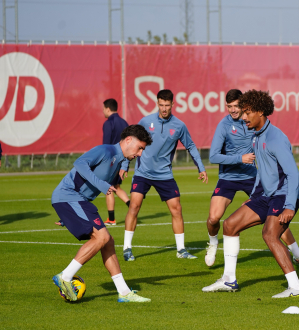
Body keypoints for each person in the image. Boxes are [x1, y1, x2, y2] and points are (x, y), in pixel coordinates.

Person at [202, 90, 299, 298]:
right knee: (229, 225)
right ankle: (229, 280)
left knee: (269, 235)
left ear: (260, 112)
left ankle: (296, 287)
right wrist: (254, 198)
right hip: (267, 196)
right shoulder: (257, 136)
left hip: (283, 195)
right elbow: (261, 172)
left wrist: (290, 205)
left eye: (247, 113)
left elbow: (292, 173)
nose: (243, 117)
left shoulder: (275, 137)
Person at [51, 125, 152, 302]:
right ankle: (65, 277)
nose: (141, 153)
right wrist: (102, 185)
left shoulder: (119, 160)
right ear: (128, 140)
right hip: (69, 196)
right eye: (140, 148)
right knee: (102, 237)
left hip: (75, 202)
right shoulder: (105, 150)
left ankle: (124, 292)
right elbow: (80, 164)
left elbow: (119, 168)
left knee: (108, 242)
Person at [122, 89, 208, 261]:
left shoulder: (179, 126)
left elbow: (190, 146)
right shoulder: (146, 121)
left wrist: (201, 167)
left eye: (167, 105)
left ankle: (181, 249)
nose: (164, 108)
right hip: (143, 172)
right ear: (157, 103)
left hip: (164, 175)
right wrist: (125, 164)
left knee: (176, 209)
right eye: (161, 105)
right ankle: (127, 248)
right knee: (134, 207)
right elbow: (131, 142)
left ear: (172, 104)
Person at [102, 98, 130, 226]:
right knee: (116, 187)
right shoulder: (124, 122)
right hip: (123, 158)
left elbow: (106, 145)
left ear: (108, 109)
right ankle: (132, 205)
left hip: (111, 160)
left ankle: (111, 219)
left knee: (108, 187)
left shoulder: (108, 123)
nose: (103, 111)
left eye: (103, 109)